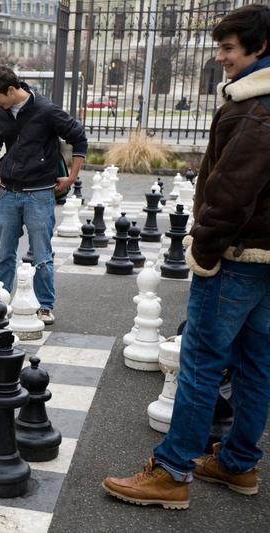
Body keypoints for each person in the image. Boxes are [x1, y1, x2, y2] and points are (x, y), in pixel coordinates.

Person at [103, 4, 270, 510]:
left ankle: (172, 471)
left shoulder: (252, 108)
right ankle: (238, 463)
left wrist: (205, 251)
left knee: (200, 362)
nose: (220, 58)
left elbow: (231, 193)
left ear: (259, 48)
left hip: (237, 257)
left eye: (228, 49)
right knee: (255, 365)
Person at [0, 66, 87, 324]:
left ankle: (45, 304)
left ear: (12, 90)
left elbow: (79, 138)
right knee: (4, 252)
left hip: (39, 193)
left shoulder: (46, 110)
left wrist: (72, 176)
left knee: (41, 254)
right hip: (7, 192)